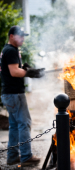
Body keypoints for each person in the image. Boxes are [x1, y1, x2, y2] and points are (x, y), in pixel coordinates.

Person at [0, 26, 45, 167]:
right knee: (25, 124)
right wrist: (30, 73)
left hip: (9, 94)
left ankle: (12, 157)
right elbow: (14, 72)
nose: (22, 39)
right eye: (20, 36)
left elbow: (15, 70)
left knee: (14, 126)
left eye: (23, 36)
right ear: (12, 36)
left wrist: (26, 70)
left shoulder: (8, 50)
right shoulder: (11, 50)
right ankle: (26, 156)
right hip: (14, 94)